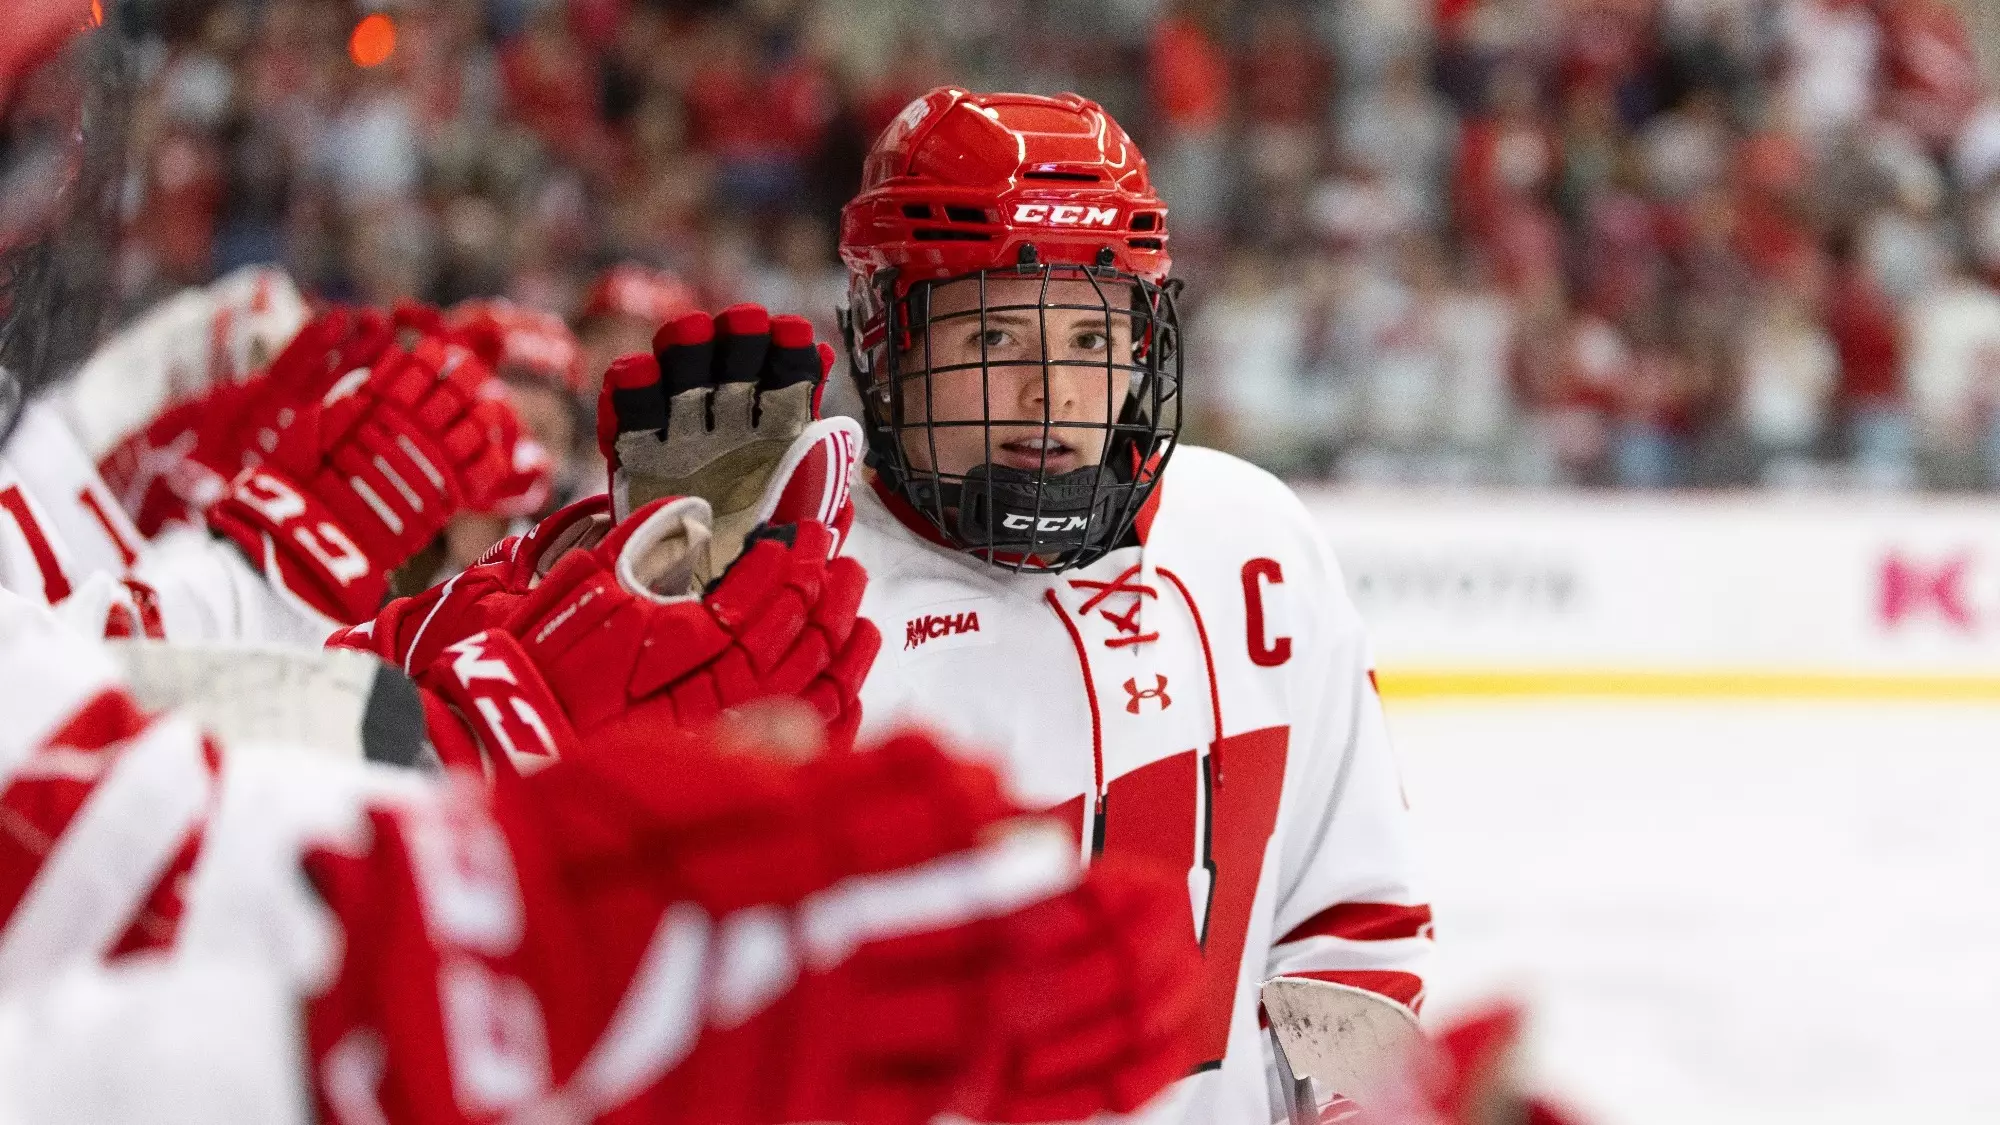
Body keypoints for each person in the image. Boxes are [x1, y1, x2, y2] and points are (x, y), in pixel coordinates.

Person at [599, 88, 1434, 1123]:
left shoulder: (1254, 544)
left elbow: (1346, 920)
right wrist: (663, 637)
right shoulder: (789, 581)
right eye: (993, 339)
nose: (1053, 394)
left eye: (1092, 340)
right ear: (886, 342)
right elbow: (649, 974)